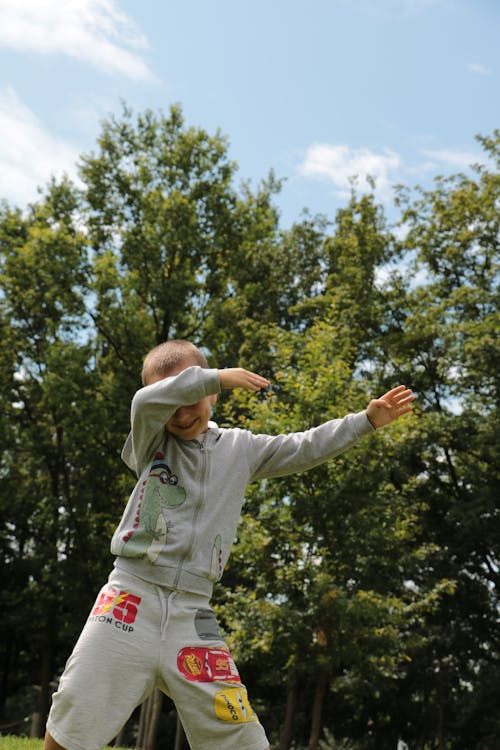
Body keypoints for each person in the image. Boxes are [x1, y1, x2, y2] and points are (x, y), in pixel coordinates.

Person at [44, 339, 414, 750]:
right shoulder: (151, 441)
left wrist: (364, 420)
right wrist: (213, 376)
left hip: (194, 614)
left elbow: (304, 446)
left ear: (212, 397)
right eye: (174, 400)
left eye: (194, 398)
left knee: (236, 729)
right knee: (78, 707)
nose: (182, 413)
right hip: (129, 599)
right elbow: (145, 402)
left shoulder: (242, 449)